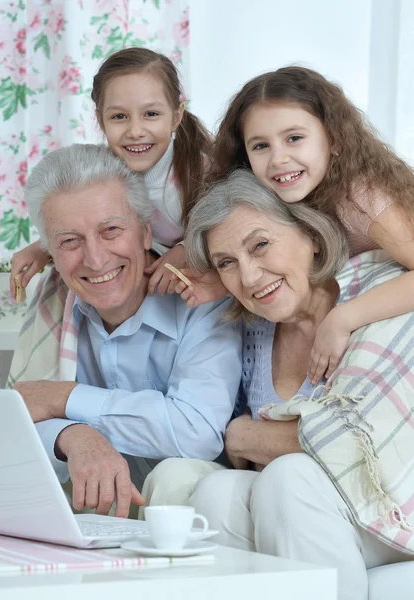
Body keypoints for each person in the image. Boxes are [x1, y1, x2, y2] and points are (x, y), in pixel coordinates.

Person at [144, 170, 414, 600]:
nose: (249, 278)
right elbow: (234, 453)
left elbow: (362, 440)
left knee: (290, 477)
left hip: (391, 504)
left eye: (261, 245)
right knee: (216, 492)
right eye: (227, 263)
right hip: (306, 512)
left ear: (311, 236)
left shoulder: (375, 295)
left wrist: (248, 434)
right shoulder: (253, 329)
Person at [7, 143, 241, 519]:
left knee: (174, 475)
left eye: (111, 230)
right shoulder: (52, 302)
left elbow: (197, 430)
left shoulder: (201, 295)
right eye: (69, 241)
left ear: (145, 233)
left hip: (193, 500)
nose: (95, 259)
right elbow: (13, 419)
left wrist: (65, 399)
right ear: (49, 251)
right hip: (90, 506)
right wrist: (72, 436)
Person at [175, 66, 414, 387]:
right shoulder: (282, 193)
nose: (279, 159)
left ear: (335, 139)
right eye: (261, 146)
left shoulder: (359, 195)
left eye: (294, 138)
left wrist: (343, 319)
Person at [10, 47, 212, 300]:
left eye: (151, 114)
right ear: (100, 120)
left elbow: (233, 232)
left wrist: (187, 250)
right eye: (119, 116)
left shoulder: (202, 172)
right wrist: (42, 249)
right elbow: (83, 226)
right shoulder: (101, 173)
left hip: (201, 289)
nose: (135, 131)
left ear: (176, 116)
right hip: (143, 288)